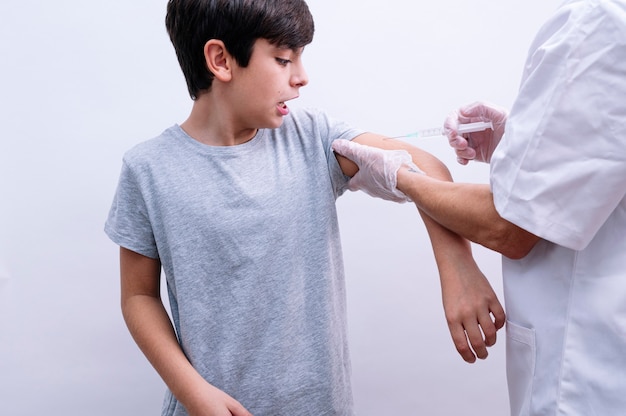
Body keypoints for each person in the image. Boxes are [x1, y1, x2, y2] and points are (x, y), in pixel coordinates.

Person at [104, 1, 505, 415]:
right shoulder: (148, 170)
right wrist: (193, 391)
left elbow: (422, 166)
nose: (302, 77)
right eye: (283, 59)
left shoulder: (312, 137)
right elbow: (138, 296)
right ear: (220, 60)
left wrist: (457, 265)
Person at [331, 0, 626, 415]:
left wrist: (400, 178)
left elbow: (510, 227)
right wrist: (520, 139)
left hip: (590, 372)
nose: (301, 78)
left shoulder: (602, 22)